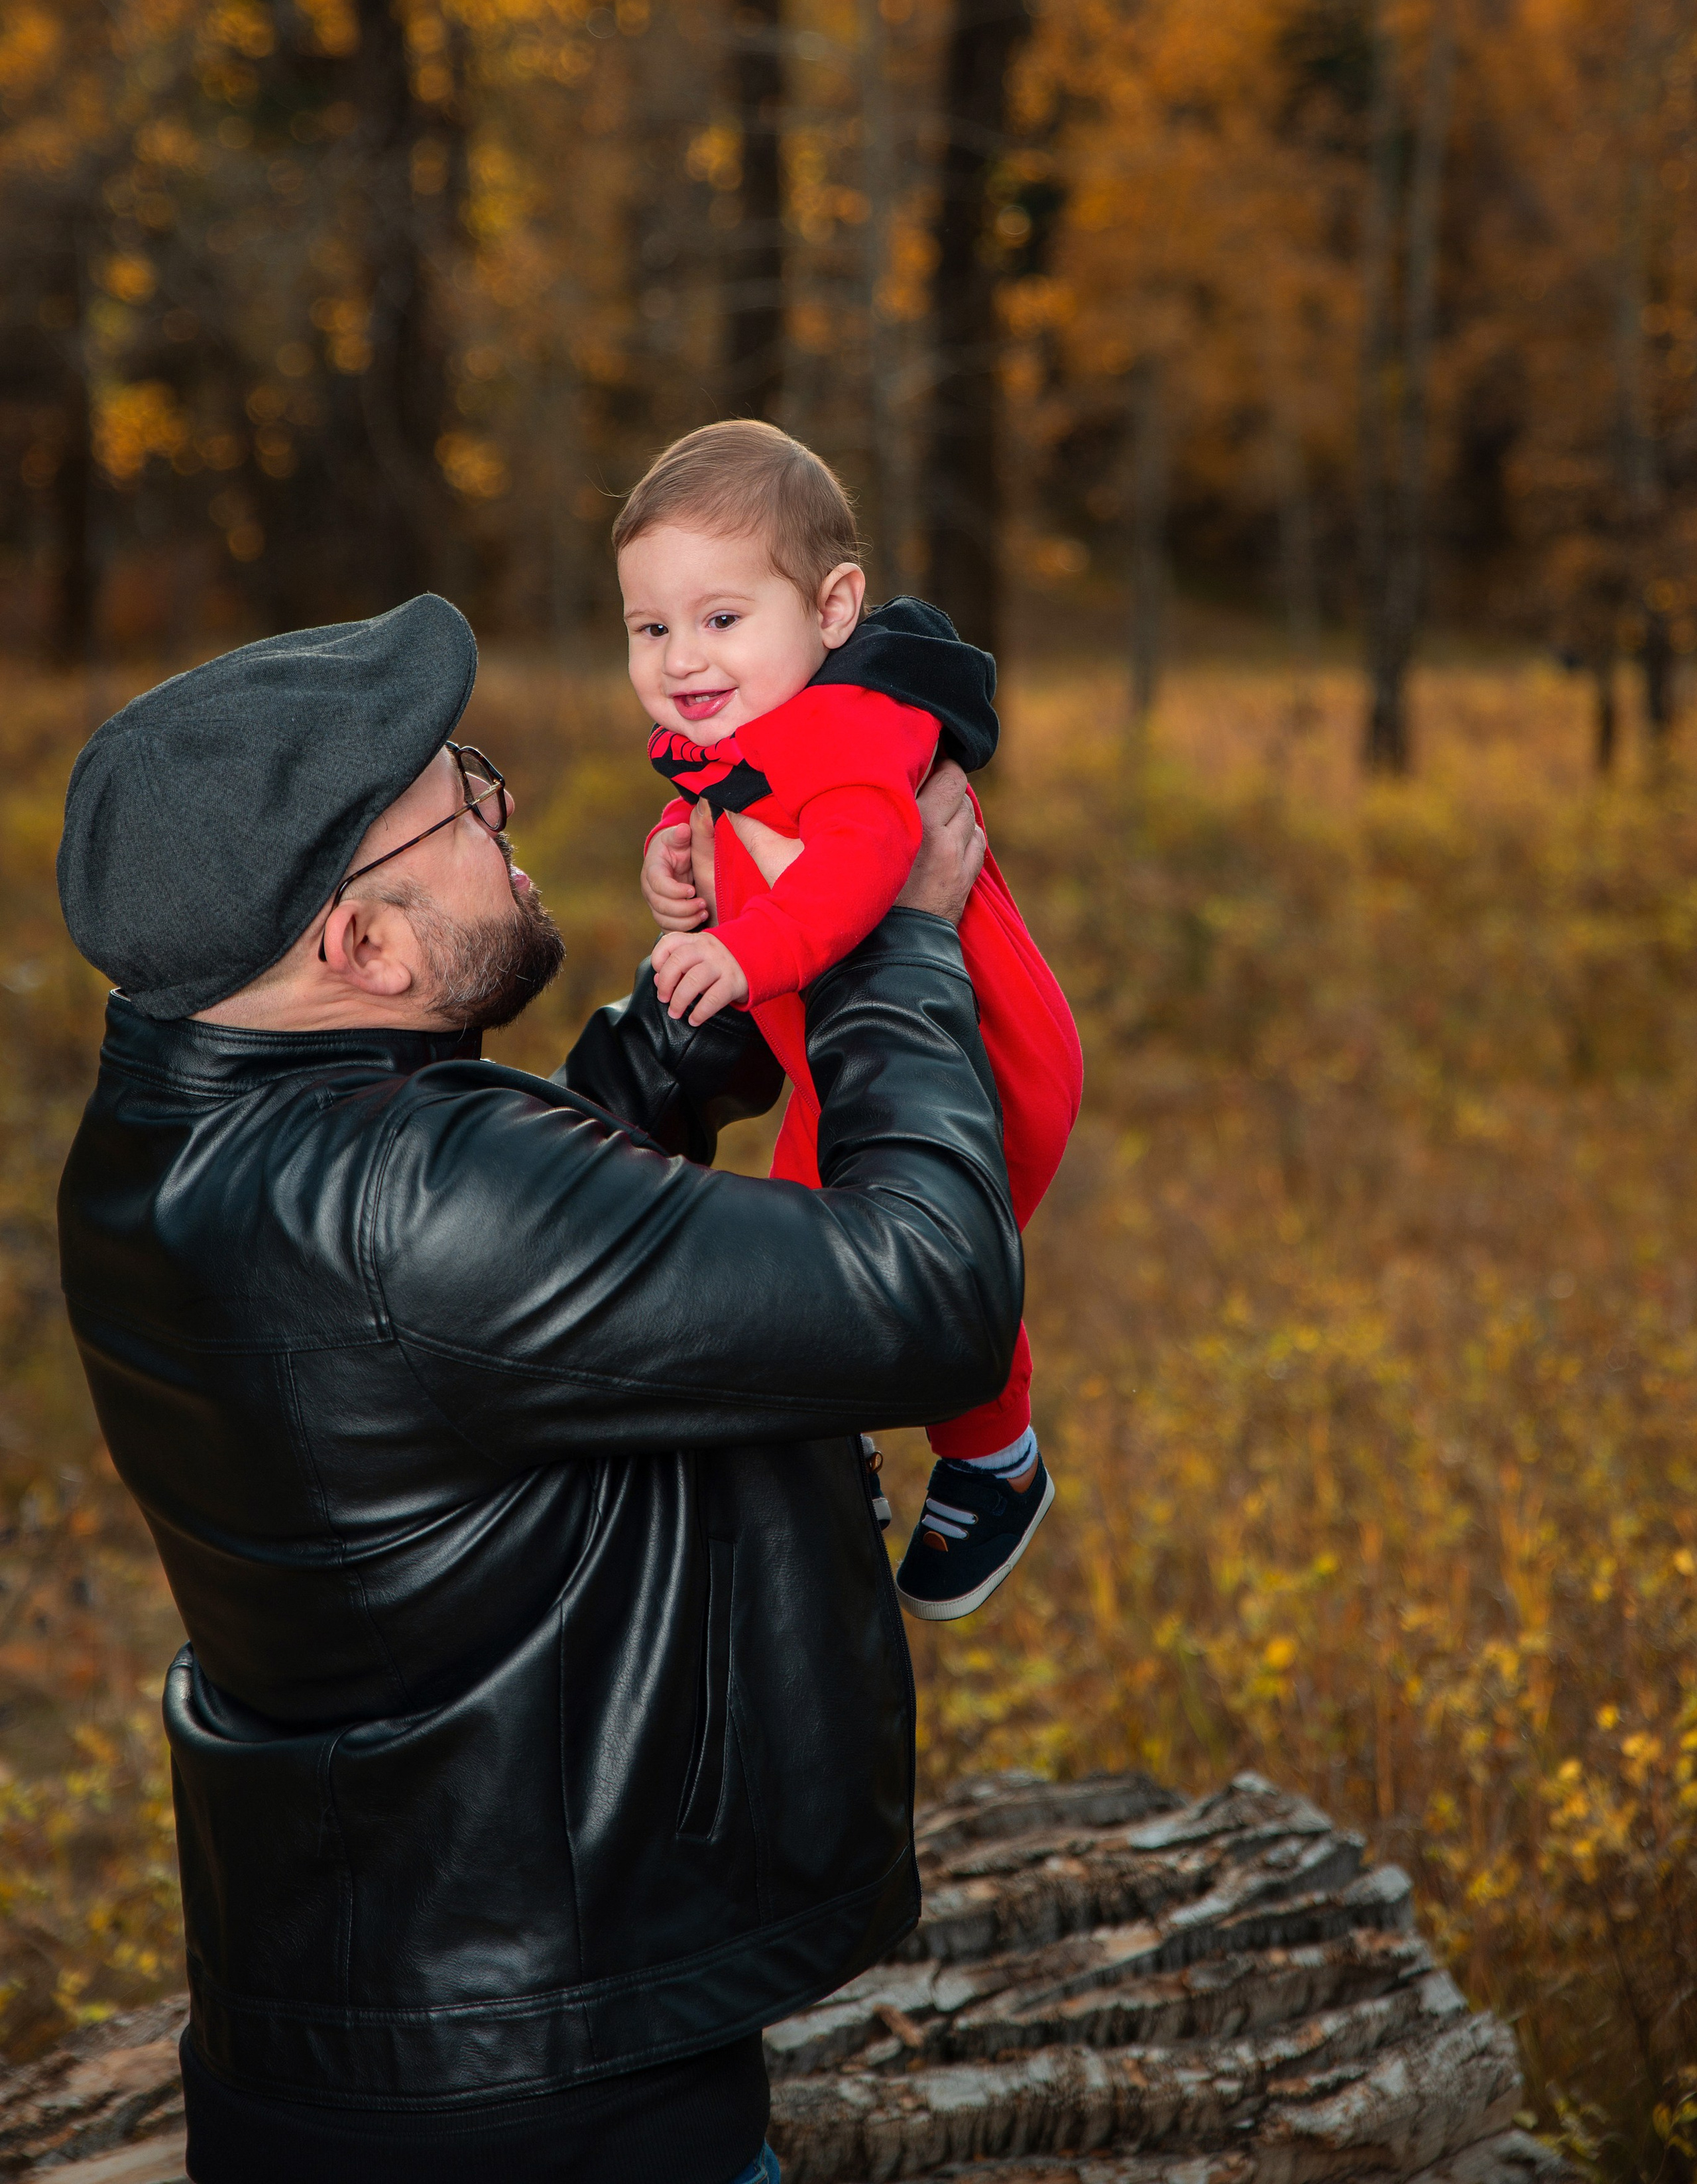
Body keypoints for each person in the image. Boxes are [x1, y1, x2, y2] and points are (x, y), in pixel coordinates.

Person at [52, 593, 1020, 2184]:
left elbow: (474, 1310)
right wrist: (888, 942)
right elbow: (932, 1295)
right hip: (554, 2112)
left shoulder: (163, 1137)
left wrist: (702, 1013)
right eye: (459, 804)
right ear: (359, 946)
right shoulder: (414, 1203)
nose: (501, 815)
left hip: (372, 2042)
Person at [617, 422, 1083, 1622]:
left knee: (916, 1260)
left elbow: (865, 857)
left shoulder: (852, 723)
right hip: (853, 1059)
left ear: (833, 610)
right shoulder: (749, 729)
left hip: (977, 1058)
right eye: (650, 628)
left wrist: (743, 949)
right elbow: (740, 814)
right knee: (800, 1254)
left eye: (722, 618)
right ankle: (830, 1438)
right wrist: (681, 857)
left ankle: (996, 1460)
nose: (682, 657)